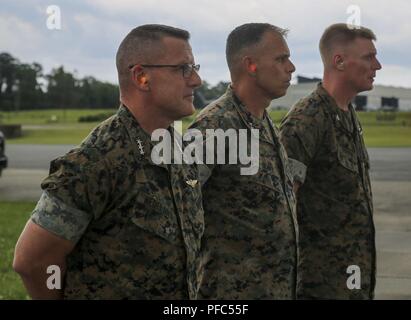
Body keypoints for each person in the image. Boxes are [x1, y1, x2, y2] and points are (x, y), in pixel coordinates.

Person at [13, 24, 204, 299]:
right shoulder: (97, 161)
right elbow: (32, 262)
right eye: (183, 69)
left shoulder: (179, 149)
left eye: (195, 67)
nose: (196, 79)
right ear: (141, 77)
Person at [189, 23, 298, 299]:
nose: (291, 67)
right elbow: (175, 206)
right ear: (250, 65)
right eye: (281, 59)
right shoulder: (215, 126)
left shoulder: (264, 123)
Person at [279, 23, 382, 299]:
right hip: (321, 283)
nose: (378, 65)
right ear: (339, 61)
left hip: (353, 276)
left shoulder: (346, 113)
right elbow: (283, 204)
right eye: (368, 57)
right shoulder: (307, 119)